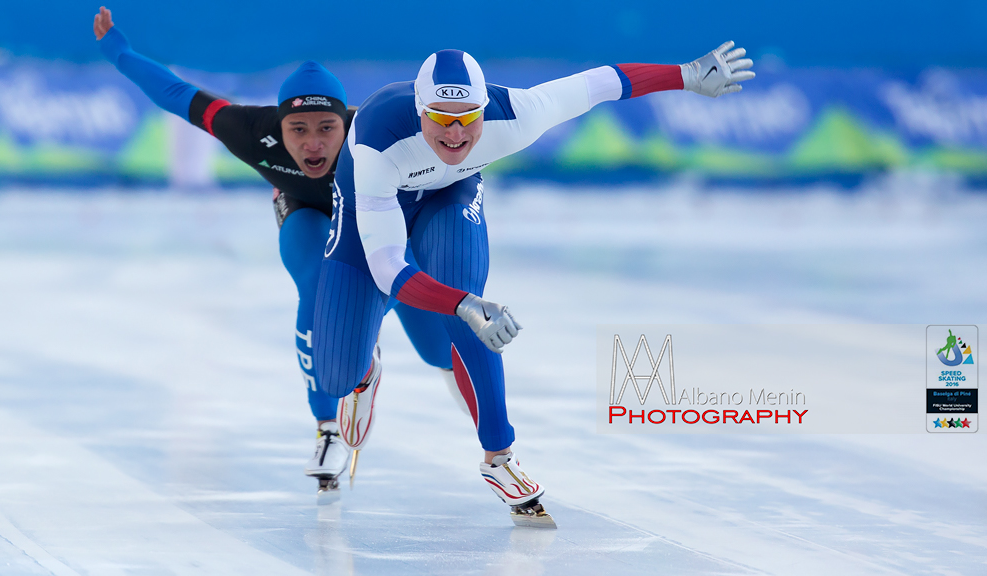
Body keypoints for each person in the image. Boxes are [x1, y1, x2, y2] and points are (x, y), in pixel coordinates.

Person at [314, 45, 754, 525]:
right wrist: (458, 304)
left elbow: (602, 82)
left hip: (450, 196)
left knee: (472, 305)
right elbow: (387, 269)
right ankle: (362, 373)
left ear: (486, 109)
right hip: (373, 204)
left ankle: (499, 459)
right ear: (421, 111)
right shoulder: (377, 143)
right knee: (335, 375)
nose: (456, 133)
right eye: (441, 118)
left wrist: (686, 75)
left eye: (468, 117)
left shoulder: (518, 114)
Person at [92, 6, 456, 496]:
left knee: (439, 351)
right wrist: (118, 50)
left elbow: (462, 121)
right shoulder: (247, 127)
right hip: (303, 212)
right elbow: (175, 94)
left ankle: (490, 444)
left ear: (345, 124)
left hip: (374, 218)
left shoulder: (375, 132)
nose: (312, 143)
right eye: (298, 129)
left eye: (326, 127)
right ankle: (327, 428)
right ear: (278, 126)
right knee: (315, 284)